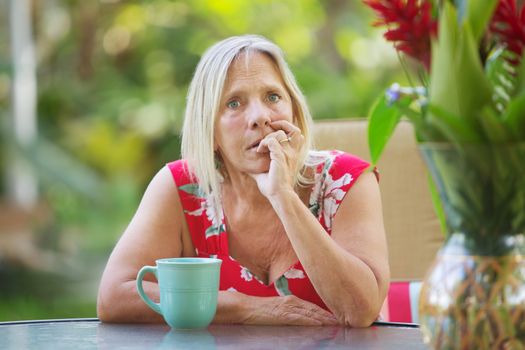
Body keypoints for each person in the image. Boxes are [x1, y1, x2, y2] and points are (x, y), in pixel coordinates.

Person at [97, 34, 390, 327]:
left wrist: (283, 196)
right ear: (209, 130)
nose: (260, 117)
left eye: (273, 97)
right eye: (234, 103)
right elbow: (114, 297)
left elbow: (359, 312)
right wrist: (247, 308)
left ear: (295, 114)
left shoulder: (347, 181)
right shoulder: (181, 187)